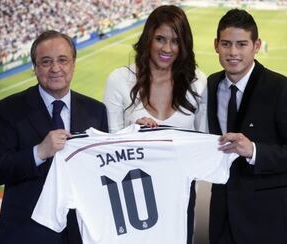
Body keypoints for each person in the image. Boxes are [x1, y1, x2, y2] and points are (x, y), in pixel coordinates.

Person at [0, 30, 108, 244]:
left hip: (82, 233)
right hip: (28, 234)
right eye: (46, 62)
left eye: (62, 60)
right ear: (34, 67)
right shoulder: (9, 110)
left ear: (74, 64)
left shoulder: (96, 111)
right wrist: (39, 152)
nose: (55, 69)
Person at [203, 9, 287, 244]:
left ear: (256, 45)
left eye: (242, 44)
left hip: (273, 225)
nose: (233, 52)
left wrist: (254, 150)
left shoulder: (282, 89)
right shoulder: (210, 85)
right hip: (224, 222)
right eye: (226, 44)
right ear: (216, 45)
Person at [103, 5, 207, 244]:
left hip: (179, 194)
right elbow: (108, 148)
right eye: (160, 39)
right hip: (130, 194)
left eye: (175, 41)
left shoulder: (197, 82)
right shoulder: (119, 80)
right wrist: (134, 134)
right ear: (148, 37)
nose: (167, 49)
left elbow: (202, 144)